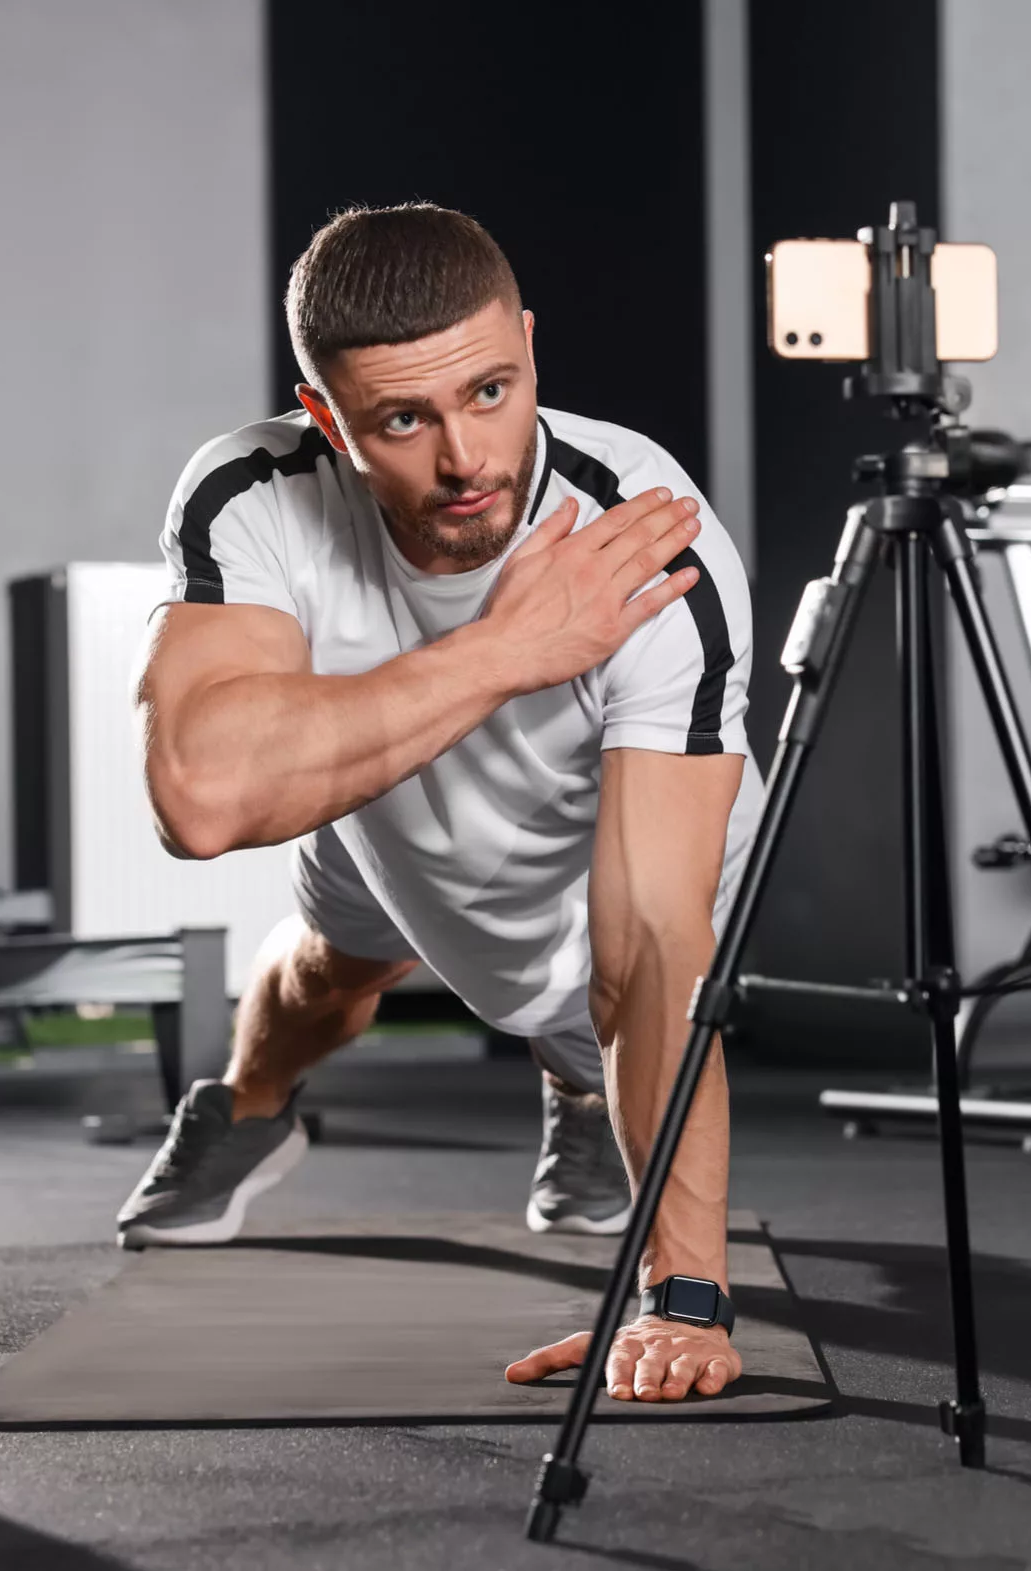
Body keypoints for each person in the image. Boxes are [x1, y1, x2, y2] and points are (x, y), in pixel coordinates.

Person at [118, 203, 761, 1405]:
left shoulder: (640, 531)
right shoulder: (254, 492)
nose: (466, 460)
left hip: (595, 823)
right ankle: (249, 1109)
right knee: (322, 975)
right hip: (379, 788)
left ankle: (577, 1084)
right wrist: (506, 648)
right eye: (403, 420)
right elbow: (200, 800)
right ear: (326, 416)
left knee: (584, 999)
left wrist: (683, 1296)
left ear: (528, 346)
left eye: (490, 391)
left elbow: (651, 947)